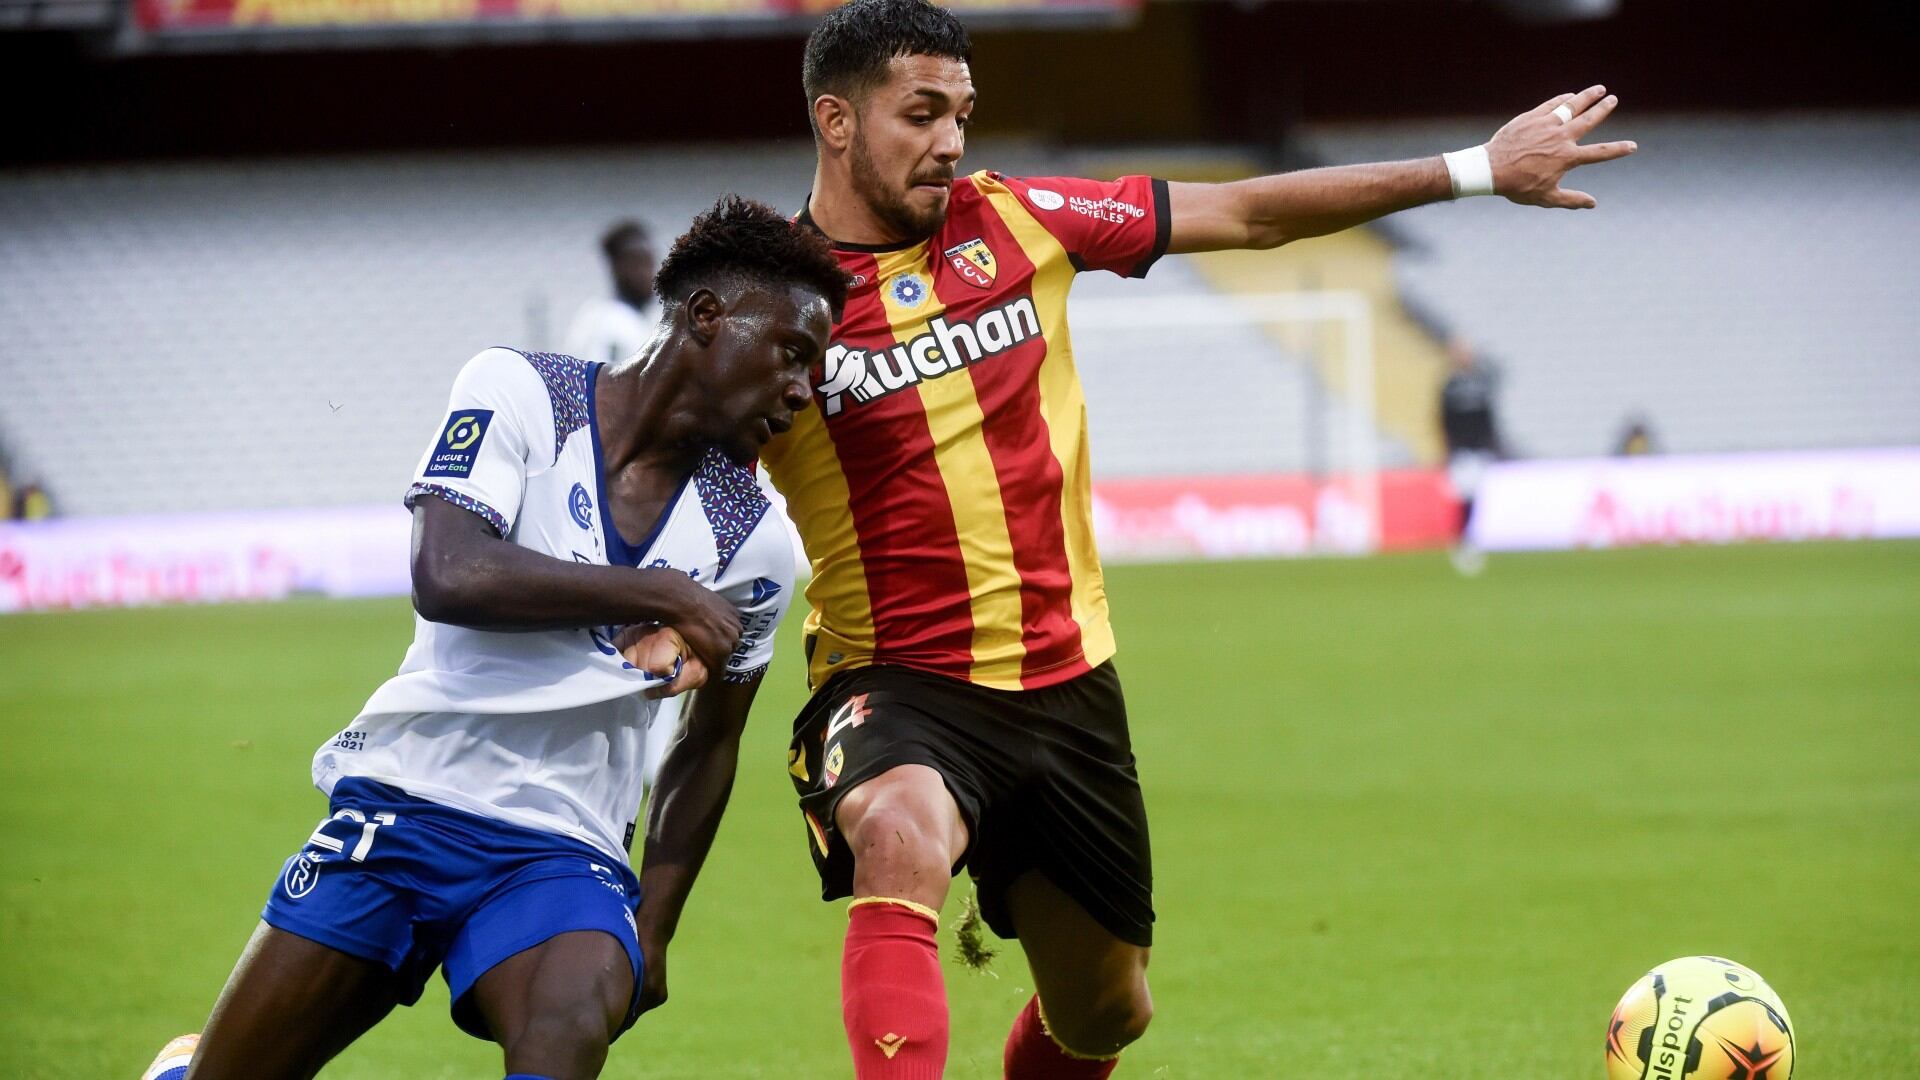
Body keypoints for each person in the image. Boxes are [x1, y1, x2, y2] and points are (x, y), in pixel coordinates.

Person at [764, 1, 1637, 1076]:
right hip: (894, 680)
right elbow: (678, 461)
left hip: (1063, 681)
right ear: (837, 121)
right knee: (898, 828)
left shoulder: (1022, 218)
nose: (951, 139)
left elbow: (1251, 213)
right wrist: (668, 604)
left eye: (964, 113)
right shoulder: (768, 301)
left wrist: (1475, 168)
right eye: (922, 113)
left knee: (1105, 1014)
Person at [141, 196, 847, 1080]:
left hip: (565, 852)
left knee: (568, 1021)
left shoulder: (758, 543)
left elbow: (712, 744)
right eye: (792, 353)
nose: (799, 390)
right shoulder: (519, 392)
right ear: (707, 317)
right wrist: (655, 591)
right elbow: (446, 571)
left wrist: (654, 929)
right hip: (407, 800)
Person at [1439, 336, 1503, 575]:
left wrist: (1492, 445)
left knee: (1475, 498)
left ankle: (1470, 540)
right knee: (1464, 498)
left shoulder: (1481, 383)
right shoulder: (1450, 385)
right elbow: (1444, 420)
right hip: (1460, 452)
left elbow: (1488, 418)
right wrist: (1448, 449)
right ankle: (1463, 541)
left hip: (1479, 450)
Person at [563, 219, 660, 365]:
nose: (647, 274)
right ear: (618, 267)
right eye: (639, 264)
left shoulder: (647, 319)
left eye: (650, 264)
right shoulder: (609, 322)